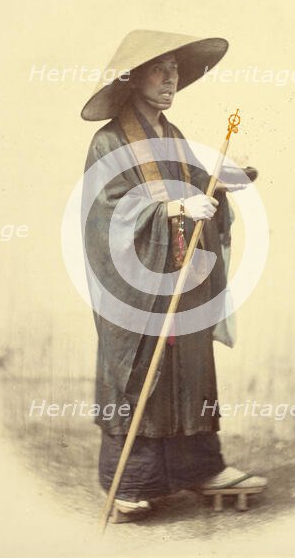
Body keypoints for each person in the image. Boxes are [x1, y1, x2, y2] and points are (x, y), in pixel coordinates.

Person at [81, 30, 266, 520]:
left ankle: (200, 469)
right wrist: (173, 209)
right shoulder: (110, 141)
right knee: (141, 368)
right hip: (136, 285)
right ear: (133, 77)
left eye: (175, 70)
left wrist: (219, 185)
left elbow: (194, 195)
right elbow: (108, 216)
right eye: (158, 69)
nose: (170, 79)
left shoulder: (173, 135)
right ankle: (134, 481)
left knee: (192, 366)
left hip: (182, 276)